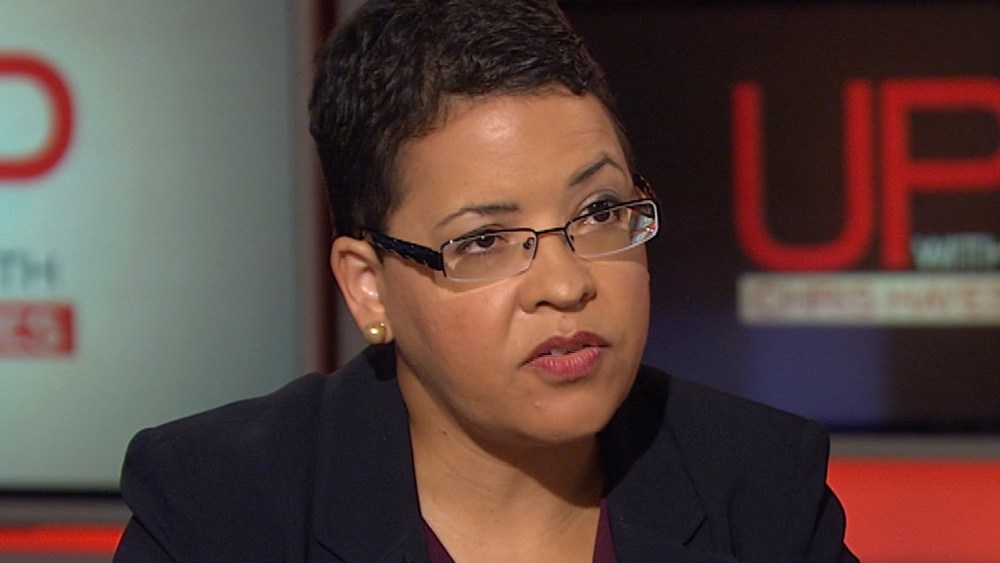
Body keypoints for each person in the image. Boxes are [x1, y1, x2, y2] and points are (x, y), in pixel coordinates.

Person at [113, 0, 857, 561]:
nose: (566, 284)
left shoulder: (759, 487)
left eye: (599, 212)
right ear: (369, 285)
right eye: (485, 240)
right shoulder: (220, 507)